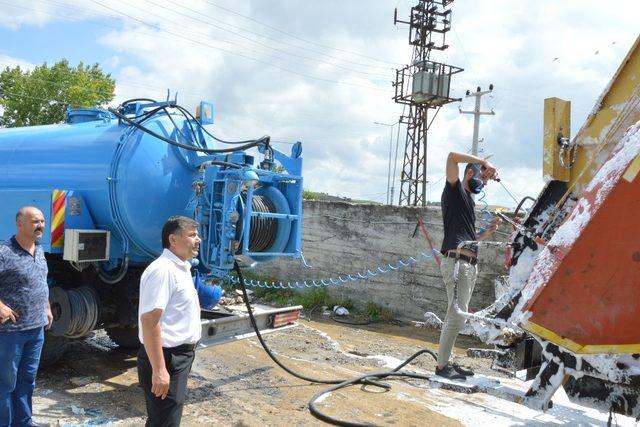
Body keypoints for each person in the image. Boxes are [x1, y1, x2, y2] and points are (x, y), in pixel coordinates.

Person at [435, 152, 502, 380]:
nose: (483, 183)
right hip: (457, 262)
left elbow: (469, 236)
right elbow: (452, 156)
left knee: (456, 315)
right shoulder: (454, 191)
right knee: (457, 315)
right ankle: (442, 366)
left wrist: (487, 232)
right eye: (482, 178)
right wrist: (485, 162)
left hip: (468, 263)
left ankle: (447, 362)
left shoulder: (468, 202)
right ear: (470, 172)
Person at [137, 216, 202, 427]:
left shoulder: (180, 267)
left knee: (163, 420)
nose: (198, 240)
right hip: (167, 358)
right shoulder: (163, 270)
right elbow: (149, 321)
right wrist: (159, 369)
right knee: (165, 422)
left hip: (179, 356)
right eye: (192, 235)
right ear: (173, 240)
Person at [0, 206, 53, 427]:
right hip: (10, 332)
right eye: (35, 221)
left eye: (42, 221)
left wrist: (47, 307)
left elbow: (42, 281)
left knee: (27, 381)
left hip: (35, 329)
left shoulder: (39, 250)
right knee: (6, 383)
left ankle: (23, 421)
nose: (40, 225)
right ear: (20, 224)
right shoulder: (4, 252)